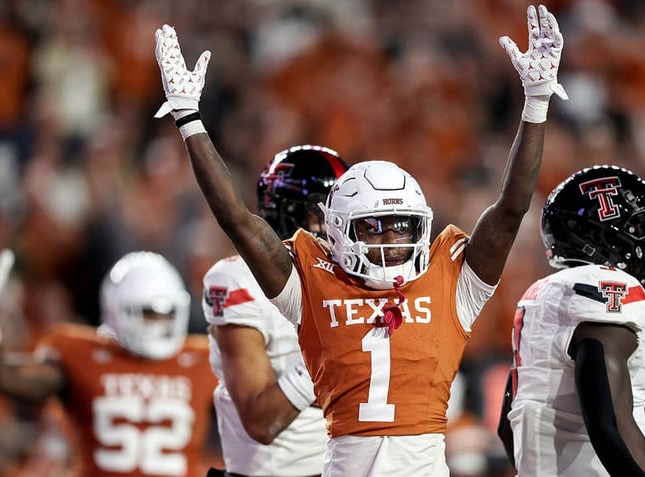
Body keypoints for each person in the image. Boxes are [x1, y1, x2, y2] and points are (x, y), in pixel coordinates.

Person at [154, 3, 566, 475]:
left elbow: (512, 208)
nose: (390, 240)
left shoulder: (451, 280)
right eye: (373, 227)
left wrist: (536, 102)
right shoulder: (311, 282)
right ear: (335, 230)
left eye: (402, 226)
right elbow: (239, 221)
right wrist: (189, 119)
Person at [0, 226, 217, 477]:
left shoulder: (202, 360)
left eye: (165, 315)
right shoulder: (82, 356)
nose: (158, 325)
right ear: (116, 310)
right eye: (147, 314)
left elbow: (255, 420)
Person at [499, 164, 645, 476]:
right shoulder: (607, 288)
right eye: (640, 230)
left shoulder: (543, 296)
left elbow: (507, 428)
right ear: (606, 240)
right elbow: (609, 424)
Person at [203, 144, 348, 477]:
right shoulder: (237, 279)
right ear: (286, 212)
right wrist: (335, 351)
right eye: (321, 213)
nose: (334, 225)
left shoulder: (352, 277)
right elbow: (262, 421)